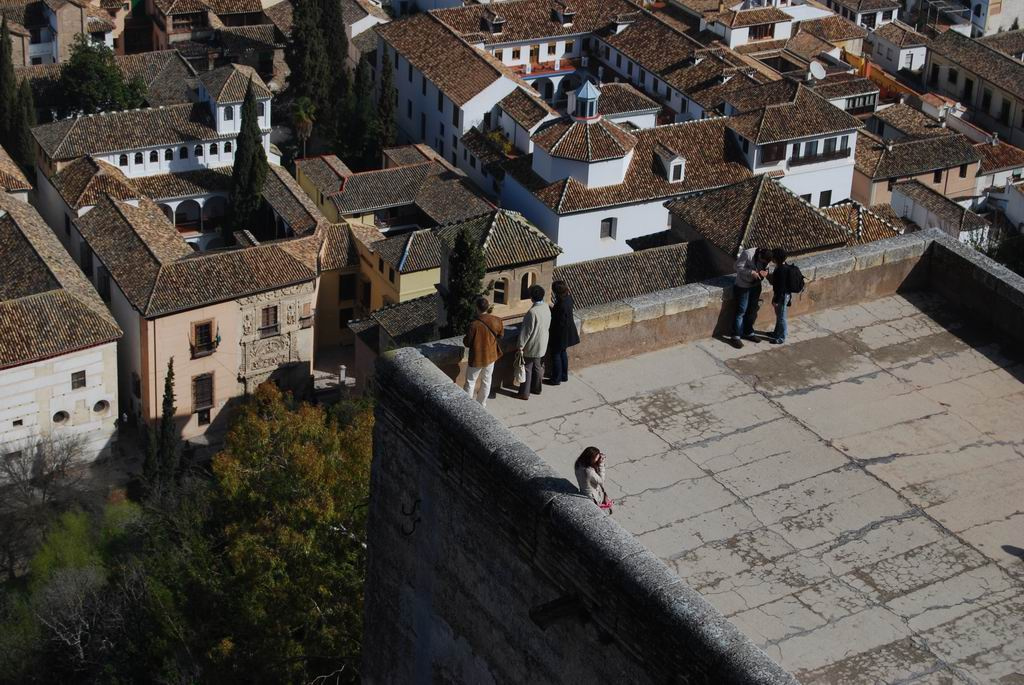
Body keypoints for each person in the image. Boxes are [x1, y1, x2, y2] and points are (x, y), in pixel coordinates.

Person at [462, 296, 504, 407]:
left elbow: (467, 342)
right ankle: (482, 404)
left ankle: (468, 406)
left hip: (477, 358)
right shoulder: (497, 320)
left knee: (471, 382)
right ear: (487, 307)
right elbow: (501, 335)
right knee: (487, 380)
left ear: (477, 308)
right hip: (491, 356)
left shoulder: (474, 325)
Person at [730, 247, 771, 349]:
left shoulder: (766, 258)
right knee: (741, 311)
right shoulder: (748, 254)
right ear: (760, 255)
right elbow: (737, 266)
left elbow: (767, 268)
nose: (763, 262)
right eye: (762, 260)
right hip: (743, 286)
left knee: (752, 310)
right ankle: (735, 336)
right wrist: (751, 272)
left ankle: (748, 332)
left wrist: (765, 272)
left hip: (756, 285)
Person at [517, 284, 551, 400]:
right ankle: (537, 389)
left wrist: (520, 345)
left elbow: (526, 332)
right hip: (543, 343)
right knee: (537, 367)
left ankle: (524, 393)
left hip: (532, 345)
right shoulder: (546, 306)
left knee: (527, 368)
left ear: (532, 297)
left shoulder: (532, 312)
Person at [546, 280, 580, 386]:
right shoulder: (569, 298)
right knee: (563, 353)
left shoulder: (561, 304)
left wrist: (551, 310)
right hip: (568, 331)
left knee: (556, 354)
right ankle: (564, 376)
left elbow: (557, 319)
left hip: (560, 333)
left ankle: (556, 379)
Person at [574, 446, 612, 513]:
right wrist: (601, 464)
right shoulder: (589, 471)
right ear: (590, 458)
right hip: (592, 497)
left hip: (583, 491)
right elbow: (601, 481)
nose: (598, 459)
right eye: (597, 457)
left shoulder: (579, 463)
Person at [768, 248, 791, 345]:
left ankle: (781, 337)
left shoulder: (781, 270)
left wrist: (776, 300)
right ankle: (776, 333)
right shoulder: (784, 266)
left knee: (782, 317)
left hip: (782, 296)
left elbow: (780, 287)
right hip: (784, 295)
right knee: (779, 316)